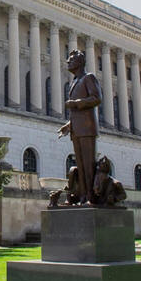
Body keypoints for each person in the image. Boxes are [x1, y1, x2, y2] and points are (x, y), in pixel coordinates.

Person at [58, 50, 103, 204]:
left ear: (80, 62)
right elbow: (77, 112)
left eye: (71, 60)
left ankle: (91, 196)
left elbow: (96, 98)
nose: (68, 62)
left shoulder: (88, 77)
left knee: (89, 164)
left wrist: (76, 103)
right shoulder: (75, 81)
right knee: (81, 165)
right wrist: (69, 125)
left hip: (87, 128)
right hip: (76, 129)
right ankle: (83, 195)